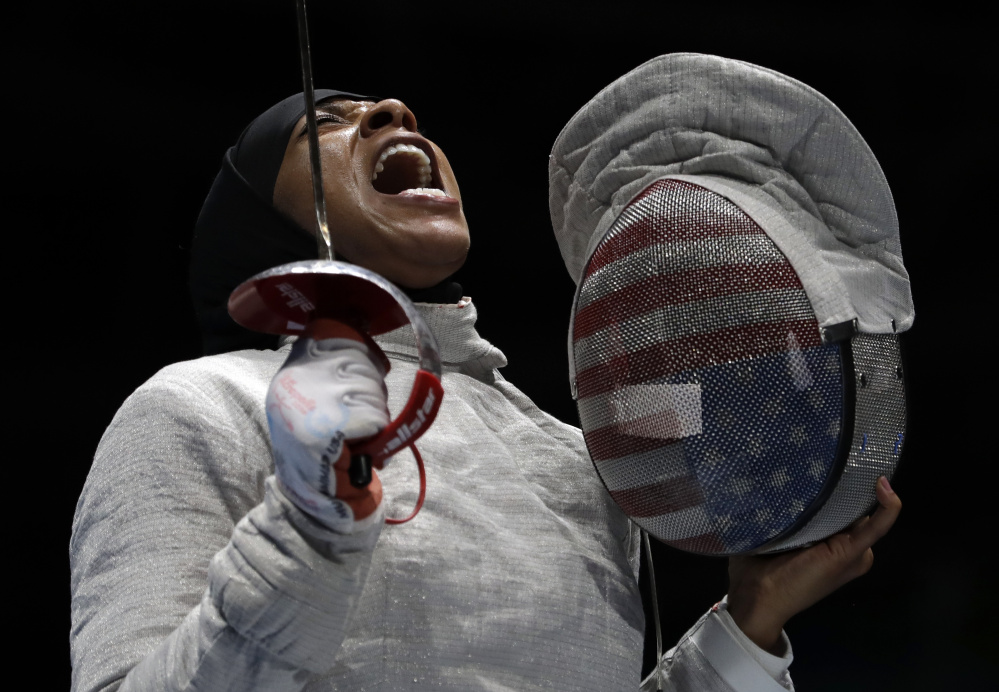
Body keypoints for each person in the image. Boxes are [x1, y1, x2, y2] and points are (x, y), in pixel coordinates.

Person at [70, 88, 901, 692]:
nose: (394, 111)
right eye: (322, 124)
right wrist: (311, 523)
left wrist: (746, 626)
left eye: (392, 109)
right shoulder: (202, 403)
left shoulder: (575, 459)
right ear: (261, 218)